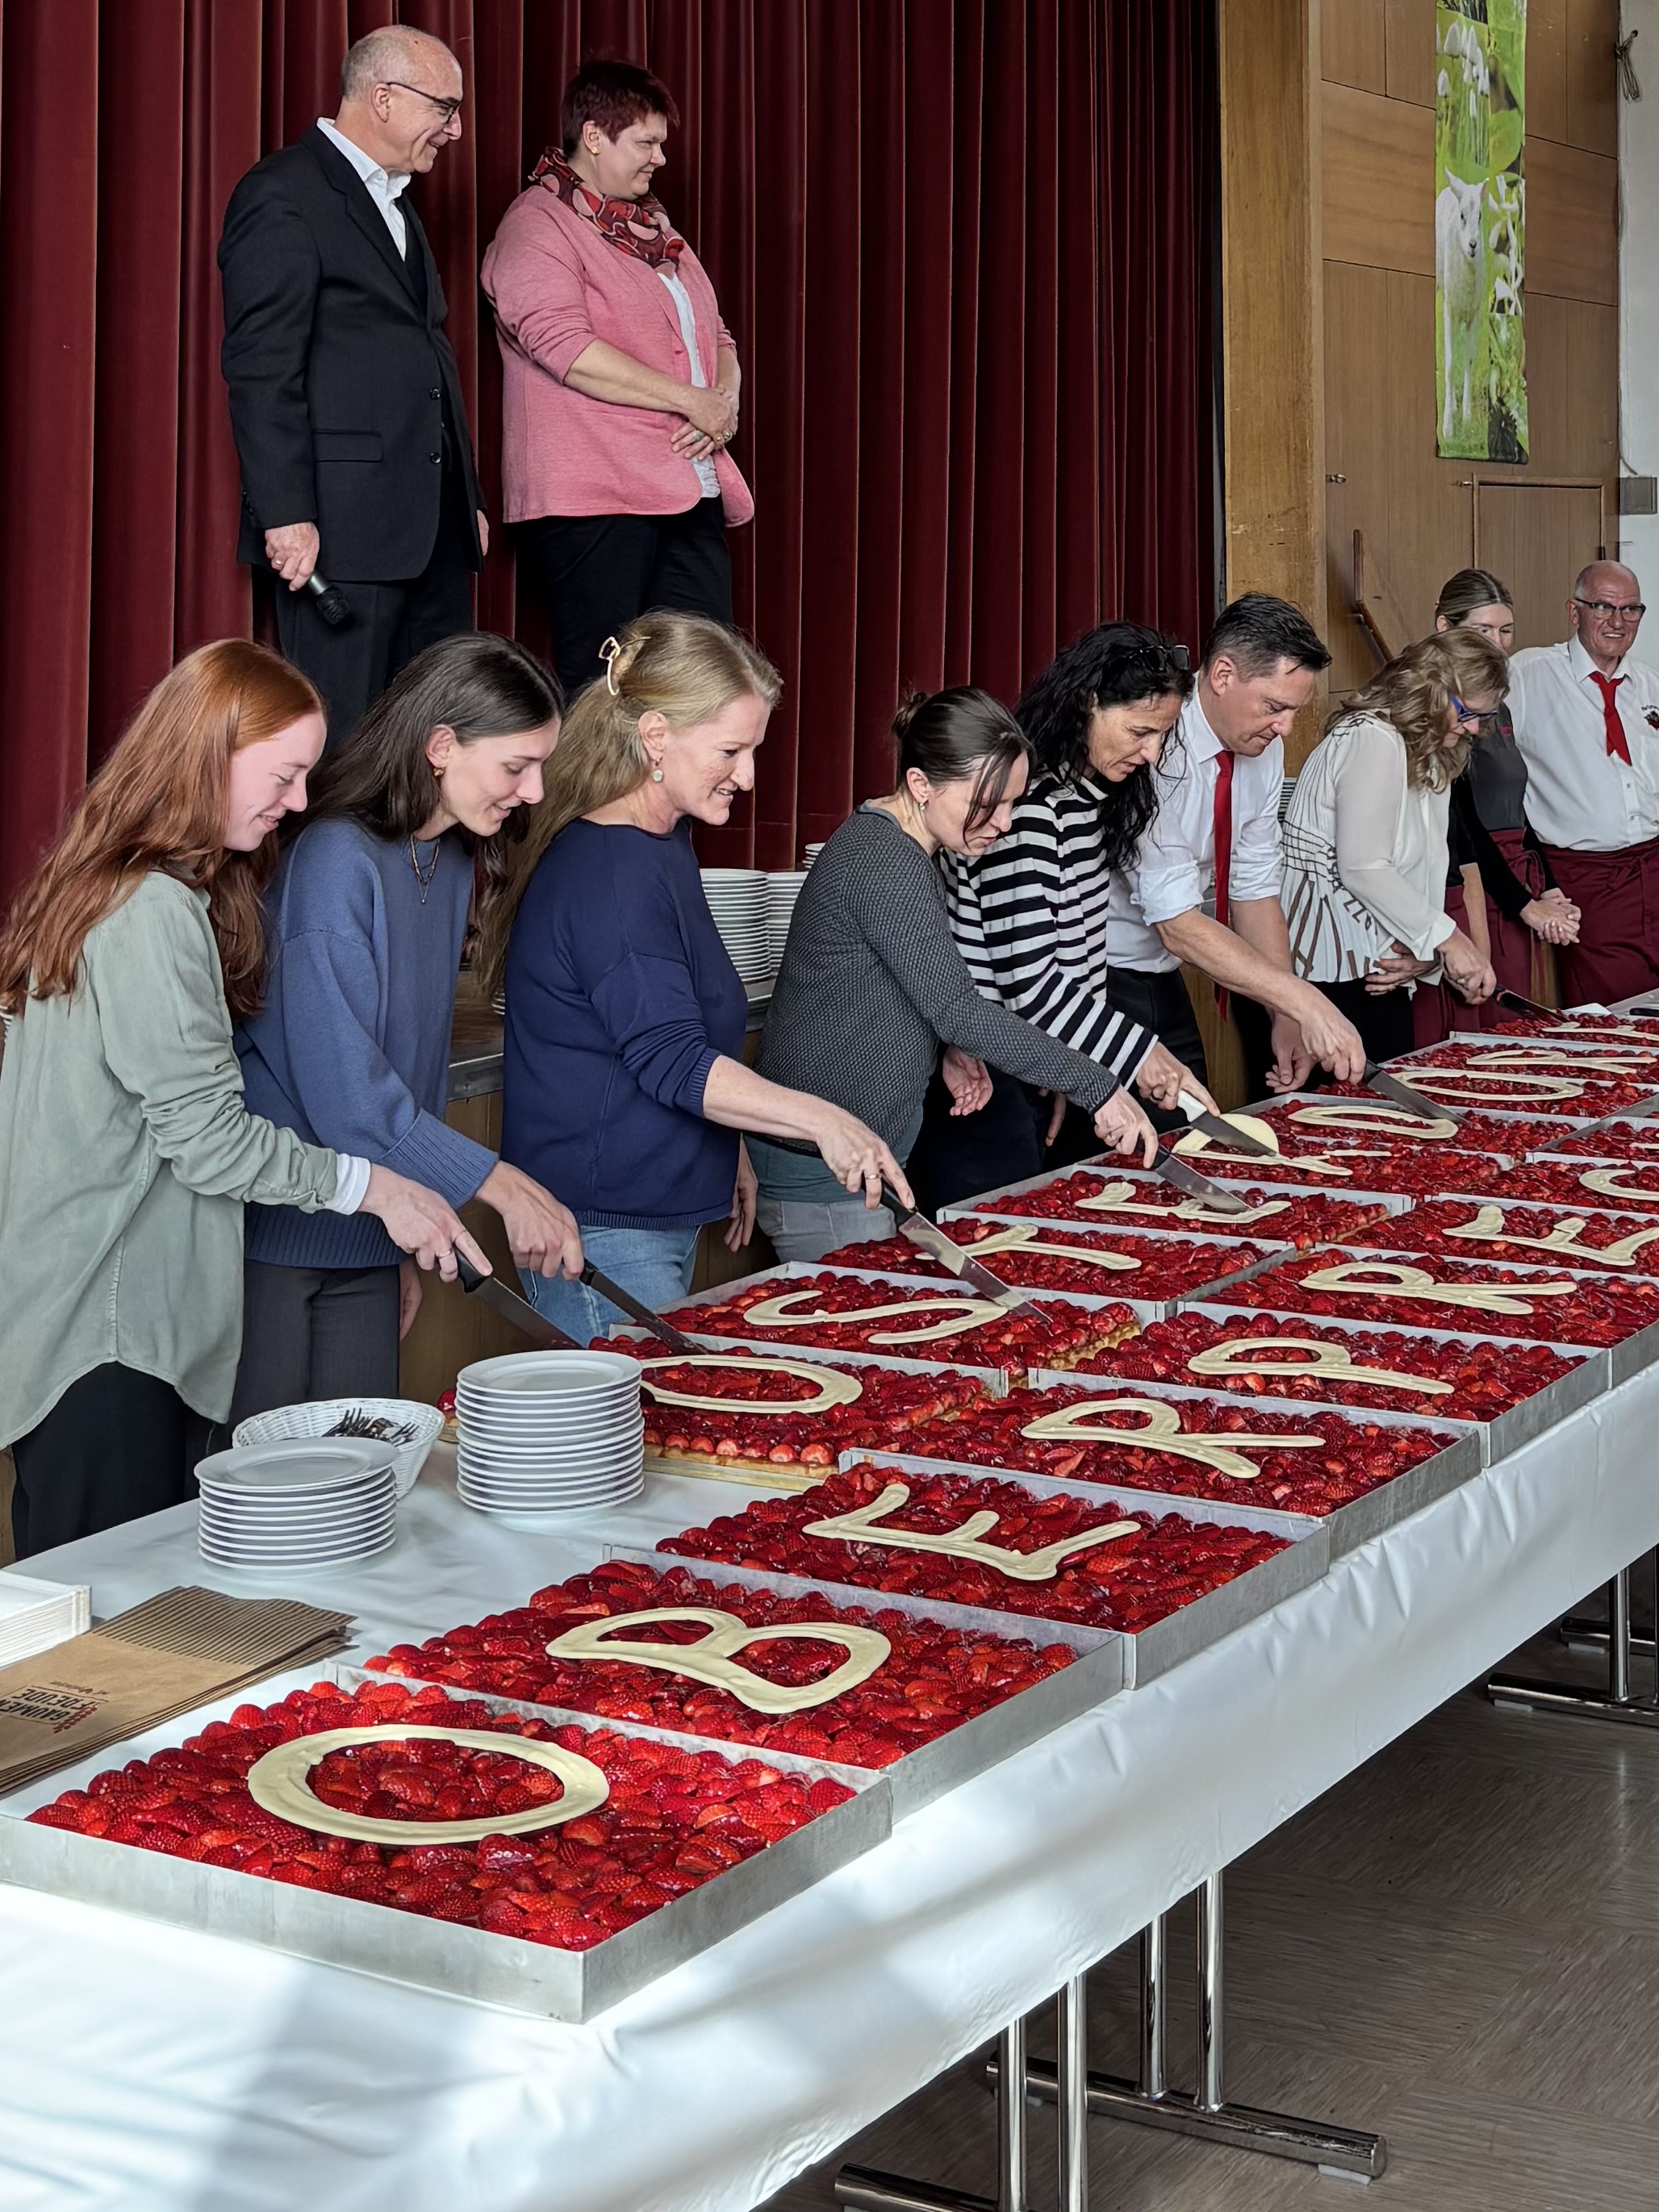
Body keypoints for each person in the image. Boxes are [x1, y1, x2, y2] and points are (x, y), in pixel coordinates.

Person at [0, 642, 489, 1558]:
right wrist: (376, 1190)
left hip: (95, 1322)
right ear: (206, 753)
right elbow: (210, 1140)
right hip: (113, 1331)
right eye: (284, 774)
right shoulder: (149, 909)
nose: (297, 804)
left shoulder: (122, 887)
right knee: (116, 1621)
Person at [475, 613, 904, 1340]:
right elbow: (671, 1058)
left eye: (753, 749)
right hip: (600, 1229)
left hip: (643, 1216)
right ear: (656, 738)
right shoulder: (611, 870)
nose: (749, 775)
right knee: (636, 1415)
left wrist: (726, 1144)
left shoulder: (661, 841)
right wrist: (824, 1121)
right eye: (731, 751)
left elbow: (680, 1025)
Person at [230, 635, 584, 1423]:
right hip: (276, 1237)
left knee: (364, 1472)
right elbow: (347, 1095)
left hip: (371, 1232)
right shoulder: (334, 856)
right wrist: (499, 1185)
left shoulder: (451, 858)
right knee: (270, 1480)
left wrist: (404, 1228)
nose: (532, 792)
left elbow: (409, 1068)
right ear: (441, 746)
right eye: (516, 766)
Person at [752, 687, 1160, 1264]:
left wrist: (942, 1045)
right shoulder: (885, 860)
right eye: (988, 804)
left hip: (856, 1163)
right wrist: (1099, 1088)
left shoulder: (900, 844)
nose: (1005, 824)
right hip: (822, 1176)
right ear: (921, 785)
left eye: (1012, 803)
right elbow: (959, 1010)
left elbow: (890, 986)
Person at [218, 26, 487, 741]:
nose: (455, 131)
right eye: (445, 108)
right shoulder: (282, 193)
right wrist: (285, 514)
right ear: (384, 98)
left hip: (431, 530)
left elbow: (427, 352)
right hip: (341, 535)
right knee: (342, 746)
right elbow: (261, 366)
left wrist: (466, 496)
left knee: (433, 745)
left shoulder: (396, 203)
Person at [912, 624, 1215, 1210]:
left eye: (1163, 734)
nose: (1152, 753)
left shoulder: (1081, 800)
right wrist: (1137, 1056)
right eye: (1139, 731)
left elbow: (1080, 959)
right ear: (1088, 704)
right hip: (981, 1071)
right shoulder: (1028, 810)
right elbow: (1030, 984)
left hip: (1025, 1062)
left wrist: (1067, 1066)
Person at [481, 59, 751, 700]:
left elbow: (717, 336)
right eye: (647, 143)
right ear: (594, 137)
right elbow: (564, 346)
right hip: (596, 496)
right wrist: (692, 401)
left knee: (701, 684)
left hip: (686, 487)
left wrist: (724, 401)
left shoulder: (654, 229)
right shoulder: (536, 225)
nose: (661, 158)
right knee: (603, 688)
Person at [1109, 595, 1367, 1106]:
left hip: (1163, 971)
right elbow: (1176, 922)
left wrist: (1284, 1014)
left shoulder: (1264, 750)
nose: (1285, 727)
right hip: (1099, 975)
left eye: (1294, 711)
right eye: (1275, 707)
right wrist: (1303, 999)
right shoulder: (1156, 745)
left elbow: (1253, 887)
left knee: (1195, 1129)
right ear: (1223, 675)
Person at [1281, 632, 1500, 1062]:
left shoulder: (1432, 749)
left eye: (1484, 716)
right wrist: (1447, 939)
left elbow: (1425, 871)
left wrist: (1429, 952)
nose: (1474, 728)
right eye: (1467, 713)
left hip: (1381, 970)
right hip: (1326, 973)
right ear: (1431, 690)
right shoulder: (1372, 736)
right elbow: (1364, 867)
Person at [1430, 569, 1578, 1031]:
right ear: (1444, 628)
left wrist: (1548, 886)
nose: (1497, 643)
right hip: (1478, 883)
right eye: (1483, 630)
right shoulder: (1443, 711)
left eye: (1506, 630)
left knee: (1519, 1027)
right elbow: (1467, 831)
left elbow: (1517, 806)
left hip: (1514, 876)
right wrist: (1524, 905)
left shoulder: (1497, 705)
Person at [1506, 561, 1659, 1005]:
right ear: (1574, 612)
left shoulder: (1649, 684)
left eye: (1631, 609)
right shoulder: (1529, 674)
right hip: (1586, 878)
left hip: (1653, 864)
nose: (1618, 621)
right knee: (1616, 1011)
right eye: (1603, 607)